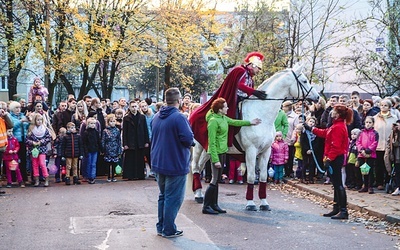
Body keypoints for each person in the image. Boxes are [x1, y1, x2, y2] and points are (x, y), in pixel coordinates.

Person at [189, 52, 267, 152]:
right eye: (258, 68)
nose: (259, 71)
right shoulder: (240, 70)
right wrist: (254, 92)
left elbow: (248, 91)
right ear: (253, 65)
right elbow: (240, 85)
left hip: (243, 101)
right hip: (233, 100)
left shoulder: (250, 78)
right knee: (231, 116)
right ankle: (227, 138)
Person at [203, 97, 261, 214]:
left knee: (217, 180)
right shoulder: (213, 121)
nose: (228, 108)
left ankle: (214, 204)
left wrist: (250, 122)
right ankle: (206, 206)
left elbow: (235, 122)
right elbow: (211, 142)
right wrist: (215, 160)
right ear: (220, 109)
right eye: (225, 106)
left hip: (223, 151)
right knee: (214, 180)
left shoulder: (223, 118)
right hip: (216, 153)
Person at [151, 87, 194, 238]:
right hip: (174, 162)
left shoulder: (157, 116)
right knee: (173, 198)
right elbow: (188, 139)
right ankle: (168, 229)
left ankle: (162, 227)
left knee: (163, 196)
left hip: (158, 161)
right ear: (179, 100)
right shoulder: (179, 117)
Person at [304, 104, 353, 219]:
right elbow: (325, 133)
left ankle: (343, 210)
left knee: (338, 184)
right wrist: (311, 129)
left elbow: (335, 146)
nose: (331, 112)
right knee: (336, 184)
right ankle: (337, 208)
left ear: (338, 114)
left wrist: (329, 159)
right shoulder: (336, 125)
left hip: (335, 158)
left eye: (334, 111)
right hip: (334, 157)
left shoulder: (338, 127)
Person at [122, 101, 149, 180]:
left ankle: (140, 174)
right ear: (129, 108)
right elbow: (125, 132)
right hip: (131, 141)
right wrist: (125, 143)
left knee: (140, 158)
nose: (134, 108)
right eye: (132, 106)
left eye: (135, 106)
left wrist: (146, 141)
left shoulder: (142, 117)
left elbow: (145, 129)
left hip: (140, 140)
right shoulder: (126, 118)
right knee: (130, 159)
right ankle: (130, 175)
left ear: (138, 107)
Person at [374, 99, 397, 190]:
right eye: (381, 105)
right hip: (378, 144)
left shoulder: (394, 118)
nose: (383, 107)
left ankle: (388, 181)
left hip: (389, 145)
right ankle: (379, 182)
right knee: (379, 164)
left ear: (389, 107)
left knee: (388, 164)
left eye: (385, 105)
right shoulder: (375, 117)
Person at [26, 113, 52, 187]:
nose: (39, 121)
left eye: (41, 120)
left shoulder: (44, 129)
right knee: (34, 164)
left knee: (42, 163)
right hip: (33, 149)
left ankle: (46, 178)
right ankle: (36, 180)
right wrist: (32, 142)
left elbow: (48, 138)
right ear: (35, 120)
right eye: (38, 120)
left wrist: (41, 142)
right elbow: (27, 139)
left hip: (42, 149)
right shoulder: (31, 128)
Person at [356, 116, 379, 194]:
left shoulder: (375, 133)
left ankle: (370, 186)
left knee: (370, 170)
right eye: (367, 122)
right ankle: (365, 185)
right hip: (362, 155)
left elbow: (375, 143)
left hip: (370, 155)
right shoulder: (361, 132)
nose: (368, 124)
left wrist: (368, 150)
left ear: (373, 124)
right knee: (363, 170)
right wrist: (362, 150)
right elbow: (358, 142)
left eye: (370, 122)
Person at [8, 101, 29, 183]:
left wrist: (28, 121)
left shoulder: (22, 115)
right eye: (16, 108)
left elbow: (26, 126)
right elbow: (12, 127)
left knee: (23, 159)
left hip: (23, 140)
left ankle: (24, 178)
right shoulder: (10, 117)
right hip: (15, 141)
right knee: (13, 159)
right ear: (12, 109)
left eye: (19, 107)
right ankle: (13, 178)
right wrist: (20, 121)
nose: (18, 109)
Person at [101, 114, 122, 182]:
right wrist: (103, 149)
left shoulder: (117, 130)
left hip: (115, 148)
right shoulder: (105, 131)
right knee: (108, 163)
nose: (112, 123)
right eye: (111, 121)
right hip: (108, 148)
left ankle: (113, 176)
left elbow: (119, 140)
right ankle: (108, 176)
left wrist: (119, 149)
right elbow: (103, 140)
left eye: (113, 121)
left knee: (114, 163)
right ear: (108, 122)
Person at [82, 118, 101, 184]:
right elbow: (84, 143)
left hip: (95, 150)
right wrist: (85, 151)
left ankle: (93, 176)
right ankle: (88, 176)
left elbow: (98, 141)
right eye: (91, 123)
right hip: (88, 150)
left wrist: (100, 148)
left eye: (94, 123)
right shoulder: (86, 132)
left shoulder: (96, 132)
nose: (93, 125)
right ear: (88, 124)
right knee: (89, 164)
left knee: (93, 164)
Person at [384, 120, 400, 195]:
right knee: (397, 172)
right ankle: (398, 187)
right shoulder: (393, 133)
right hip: (396, 156)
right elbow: (393, 143)